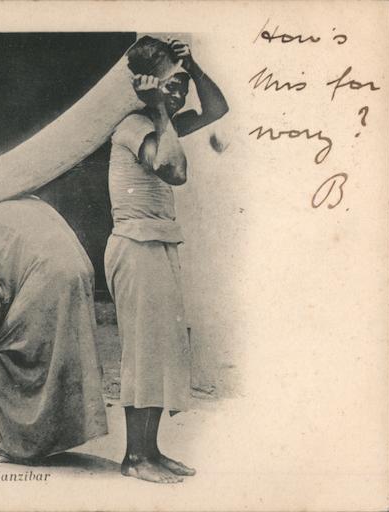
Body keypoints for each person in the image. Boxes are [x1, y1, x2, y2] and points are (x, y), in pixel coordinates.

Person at [105, 36, 228, 483]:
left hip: (155, 244)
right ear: (146, 86)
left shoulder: (163, 122)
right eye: (170, 85)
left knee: (160, 352)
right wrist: (157, 108)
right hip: (136, 246)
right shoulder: (135, 124)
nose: (180, 95)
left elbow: (217, 111)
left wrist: (192, 67)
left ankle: (150, 452)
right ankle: (134, 459)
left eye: (182, 85)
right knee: (143, 354)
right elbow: (174, 172)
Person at [0, 196, 108, 464]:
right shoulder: (32, 202)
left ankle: (15, 447)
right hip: (79, 269)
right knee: (63, 354)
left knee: (13, 354)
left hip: (47, 275)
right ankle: (55, 439)